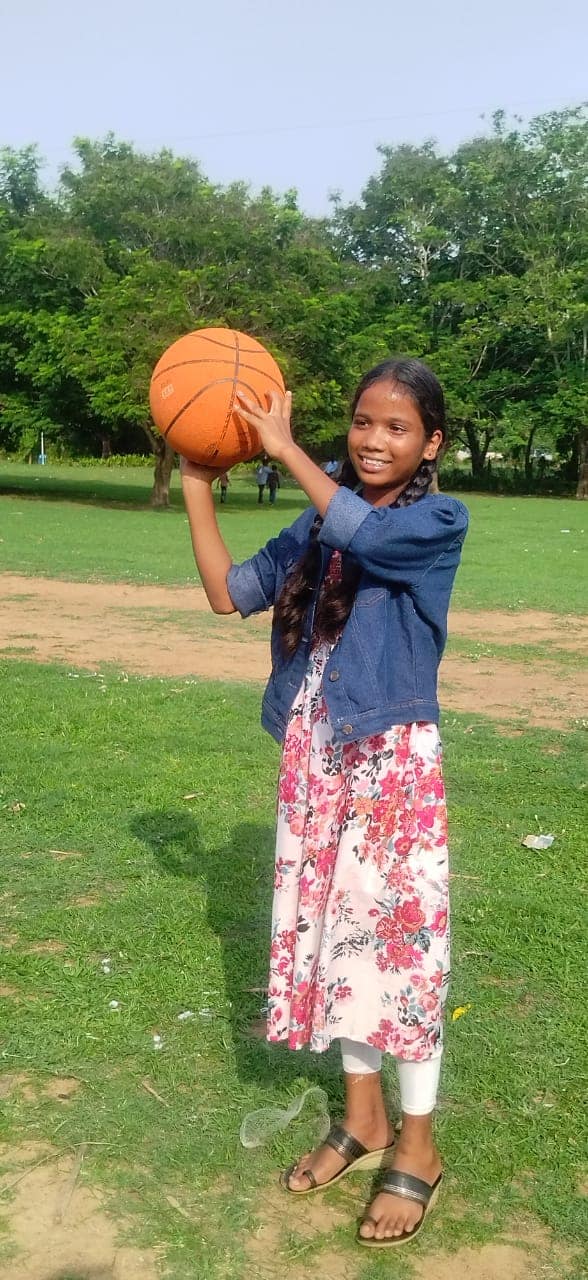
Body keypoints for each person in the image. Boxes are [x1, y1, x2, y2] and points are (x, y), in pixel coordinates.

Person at [180, 357, 469, 1250]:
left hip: (390, 767)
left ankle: (416, 1148)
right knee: (334, 947)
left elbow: (371, 542)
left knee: (402, 954)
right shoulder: (317, 514)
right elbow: (231, 593)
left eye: (395, 427)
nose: (373, 440)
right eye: (362, 423)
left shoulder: (437, 520)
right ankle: (362, 1122)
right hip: (315, 761)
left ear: (431, 443)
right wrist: (197, 481)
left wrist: (286, 449)